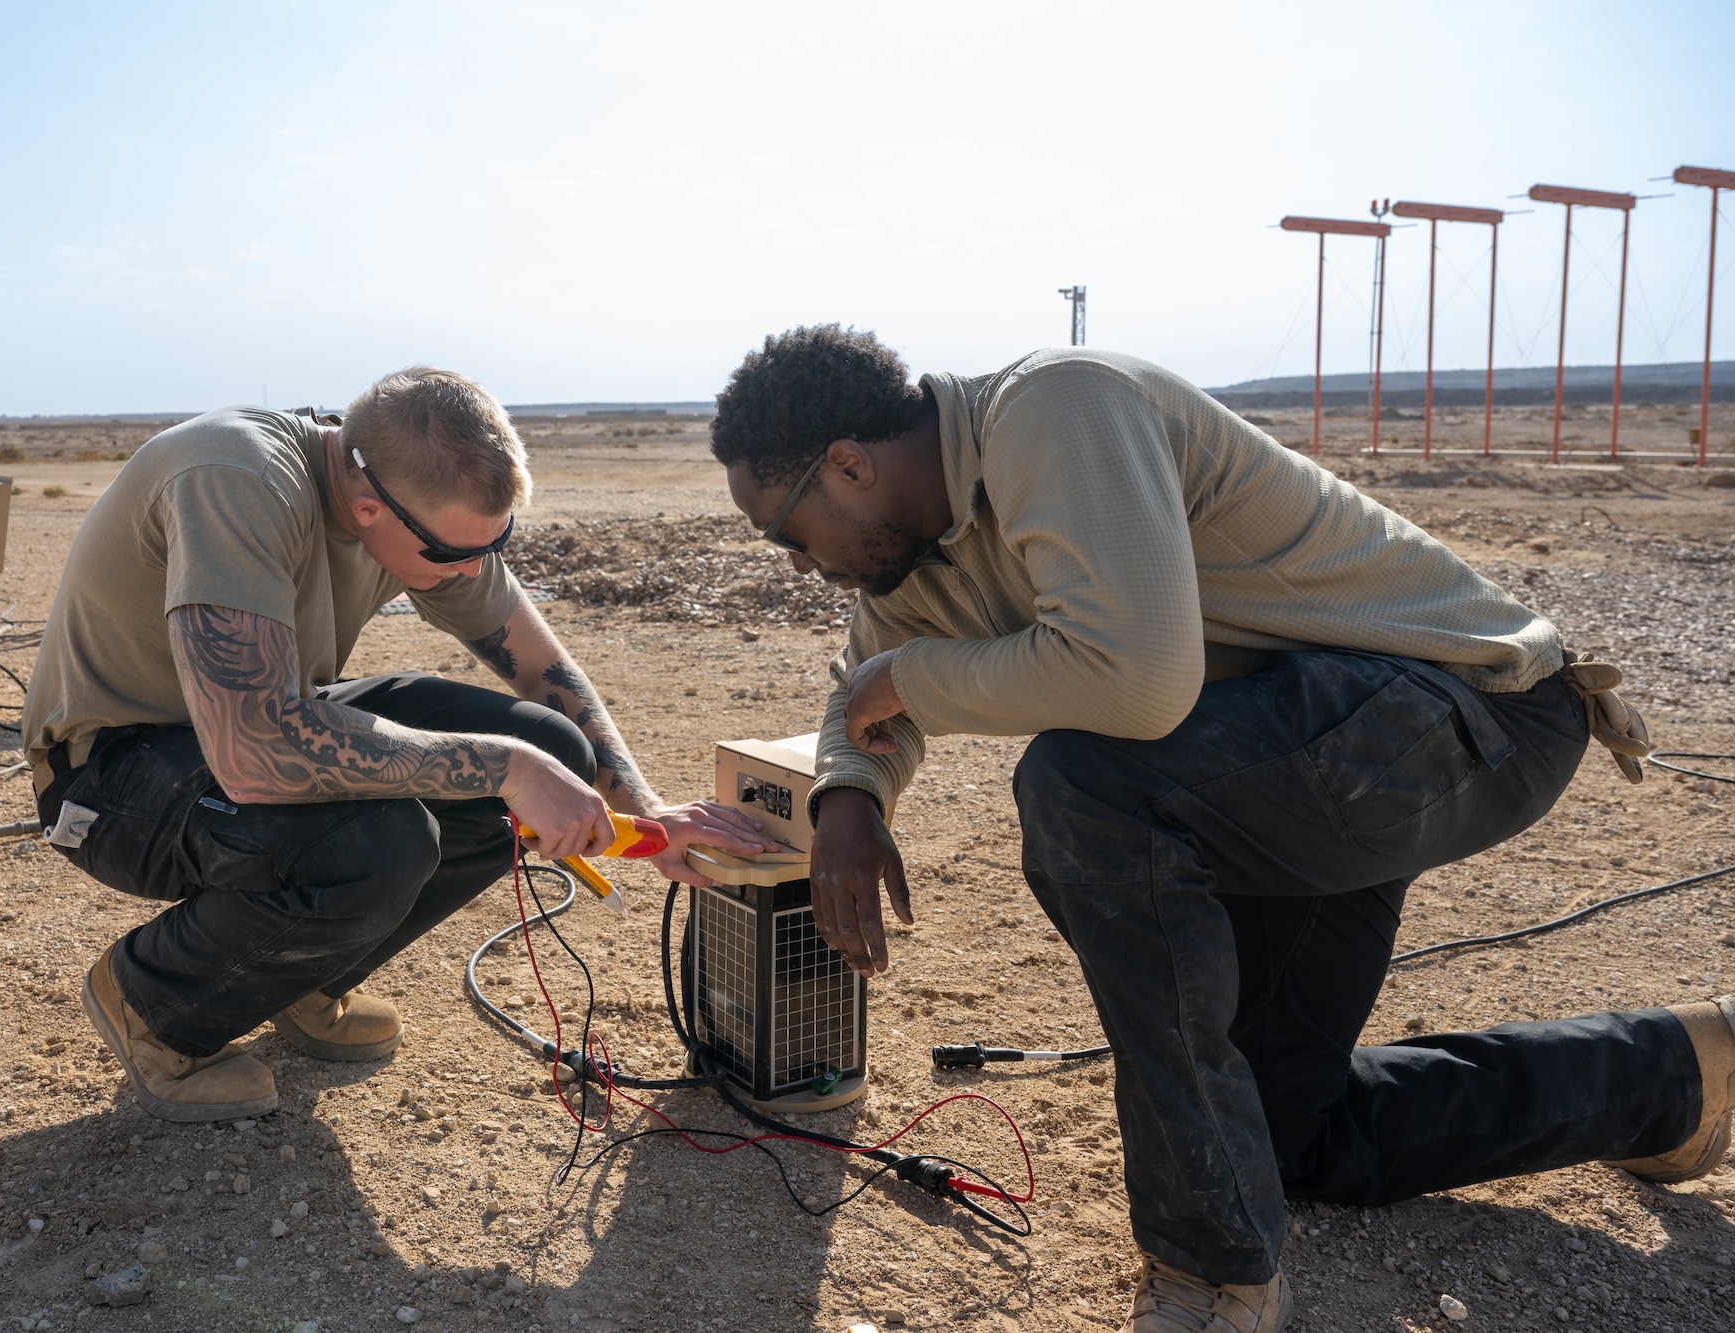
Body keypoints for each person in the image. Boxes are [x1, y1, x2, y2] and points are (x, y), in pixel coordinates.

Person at [709, 326, 1723, 1333]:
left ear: (848, 466)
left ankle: (1211, 1269)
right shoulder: (909, 560)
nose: (798, 565)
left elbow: (1134, 680)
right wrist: (849, 799)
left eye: (785, 534)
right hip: (1305, 757)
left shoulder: (1055, 406)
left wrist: (911, 681)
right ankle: (1672, 1073)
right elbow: (865, 693)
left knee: (1080, 788)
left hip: (1465, 712)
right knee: (1283, 1135)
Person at [24, 368, 770, 1123]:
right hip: (108, 771)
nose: (474, 570)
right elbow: (252, 749)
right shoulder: (237, 477)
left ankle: (301, 974)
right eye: (454, 553)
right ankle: (152, 1002)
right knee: (383, 840)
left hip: (262, 719)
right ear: (369, 506)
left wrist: (646, 811)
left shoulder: (413, 511)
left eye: (496, 543)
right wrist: (509, 771)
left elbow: (542, 670)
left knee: (551, 742)